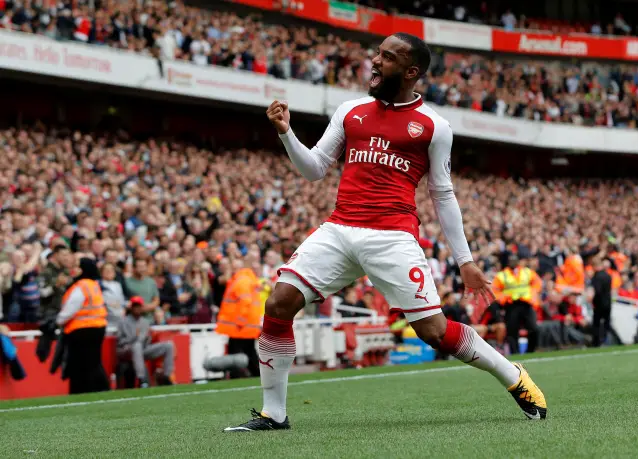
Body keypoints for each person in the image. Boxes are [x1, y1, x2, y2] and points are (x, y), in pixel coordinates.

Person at [225, 33, 546, 432]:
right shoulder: (350, 110)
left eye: (387, 57)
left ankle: (512, 376)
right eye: (377, 53)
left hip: (392, 237)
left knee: (434, 332)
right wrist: (286, 133)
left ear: (411, 72)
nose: (375, 61)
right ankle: (274, 413)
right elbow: (314, 169)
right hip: (339, 228)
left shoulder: (434, 126)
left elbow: (443, 195)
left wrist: (465, 261)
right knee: (278, 304)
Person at [55, 258, 110, 395]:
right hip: (98, 327)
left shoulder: (81, 286)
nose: (75, 270)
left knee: (79, 365)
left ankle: (82, 391)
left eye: (78, 267)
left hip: (81, 330)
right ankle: (101, 389)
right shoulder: (94, 285)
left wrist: (58, 320)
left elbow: (71, 308)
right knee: (94, 362)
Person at [216, 259, 263, 378]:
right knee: (249, 351)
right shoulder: (245, 280)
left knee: (235, 351)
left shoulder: (241, 281)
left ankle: (236, 375)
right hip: (247, 326)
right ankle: (258, 374)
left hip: (240, 326)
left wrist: (240, 321)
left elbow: (245, 301)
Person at [117, 296, 175, 388]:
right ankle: (142, 379)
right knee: (137, 346)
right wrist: (134, 338)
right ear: (131, 307)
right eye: (135, 306)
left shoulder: (145, 322)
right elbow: (120, 342)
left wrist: (148, 338)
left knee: (169, 345)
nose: (137, 308)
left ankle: (166, 376)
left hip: (143, 349)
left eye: (139, 306)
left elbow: (146, 341)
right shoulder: (123, 322)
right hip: (127, 350)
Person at [492, 254, 541, 354]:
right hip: (511, 305)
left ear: (518, 261)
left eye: (514, 260)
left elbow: (537, 283)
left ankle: (530, 351)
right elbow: (495, 290)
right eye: (510, 260)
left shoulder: (526, 272)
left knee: (533, 329)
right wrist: (504, 298)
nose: (512, 262)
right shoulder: (502, 275)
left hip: (526, 304)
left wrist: (533, 294)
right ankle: (516, 354)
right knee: (512, 332)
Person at [591, 257, 613, 347]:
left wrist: (593, 300)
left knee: (597, 324)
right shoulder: (608, 276)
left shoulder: (597, 276)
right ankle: (606, 340)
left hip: (599, 304)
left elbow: (598, 291)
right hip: (608, 302)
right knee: (606, 323)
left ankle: (596, 342)